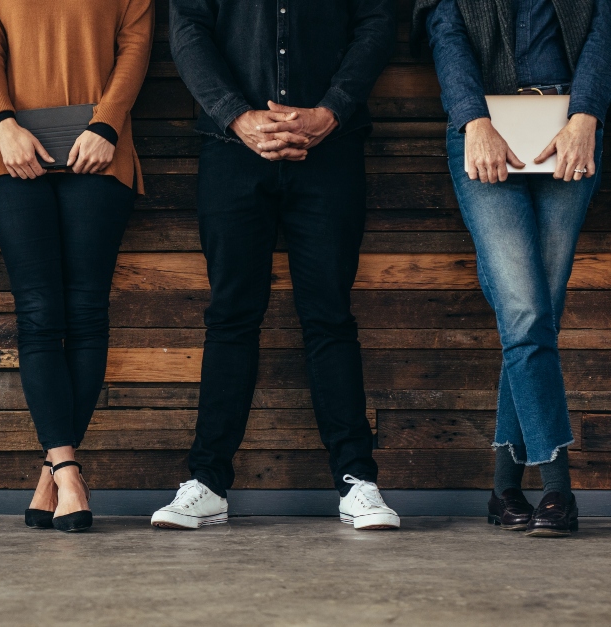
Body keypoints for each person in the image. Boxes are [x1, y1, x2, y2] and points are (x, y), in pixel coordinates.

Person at [154, 0, 402, 531]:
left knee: (330, 316)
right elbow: (188, 28)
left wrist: (332, 109)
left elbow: (377, 21)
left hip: (331, 152)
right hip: (231, 150)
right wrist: (235, 115)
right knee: (230, 316)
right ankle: (208, 483)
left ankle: (358, 482)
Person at [416, 0, 611, 537]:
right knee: (527, 311)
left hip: (571, 132)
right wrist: (472, 120)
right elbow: (445, 31)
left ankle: (504, 491)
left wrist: (586, 115)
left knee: (533, 316)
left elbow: (603, 29)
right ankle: (557, 488)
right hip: (483, 133)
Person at [0, 0, 154, 532]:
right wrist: (3, 124)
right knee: (39, 312)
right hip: (11, 151)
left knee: (87, 310)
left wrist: (108, 125)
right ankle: (69, 471)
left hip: (98, 147)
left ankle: (55, 470)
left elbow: (136, 47)